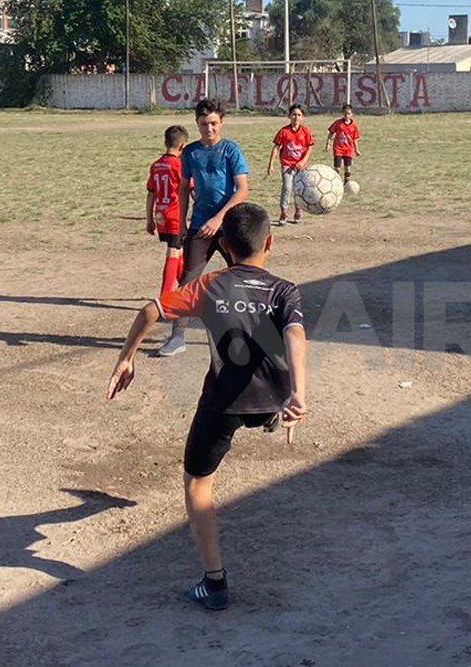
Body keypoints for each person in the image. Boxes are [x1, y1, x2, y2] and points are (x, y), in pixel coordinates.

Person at [107, 203, 308, 611]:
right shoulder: (285, 290)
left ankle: (215, 585)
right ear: (269, 242)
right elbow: (295, 335)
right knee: (265, 391)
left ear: (223, 245)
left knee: (199, 483)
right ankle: (271, 415)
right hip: (274, 395)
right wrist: (297, 393)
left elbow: (151, 310)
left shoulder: (210, 285)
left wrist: (126, 358)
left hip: (226, 402)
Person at [158, 98, 251, 357]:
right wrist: (184, 222)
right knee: (188, 281)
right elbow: (184, 188)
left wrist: (219, 219)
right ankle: (177, 337)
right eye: (203, 124)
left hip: (230, 225)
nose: (208, 129)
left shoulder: (231, 150)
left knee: (244, 277)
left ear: (221, 123)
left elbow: (242, 189)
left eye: (213, 123)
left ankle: (253, 334)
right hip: (200, 226)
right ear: (196, 124)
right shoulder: (189, 153)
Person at [146, 125, 188, 297]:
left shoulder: (156, 165)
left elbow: (150, 193)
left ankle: (185, 289)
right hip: (175, 215)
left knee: (178, 251)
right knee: (173, 251)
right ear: (182, 146)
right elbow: (189, 188)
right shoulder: (178, 166)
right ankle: (165, 297)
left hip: (160, 214)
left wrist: (149, 218)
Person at [268, 103, 315, 227]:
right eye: (294, 114)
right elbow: (276, 147)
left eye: (299, 115)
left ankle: (298, 211)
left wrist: (303, 161)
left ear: (302, 117)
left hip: (301, 166)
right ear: (289, 116)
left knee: (299, 189)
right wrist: (271, 164)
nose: (296, 117)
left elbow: (310, 147)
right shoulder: (284, 131)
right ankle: (283, 213)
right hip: (287, 165)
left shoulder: (305, 131)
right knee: (287, 188)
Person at [326, 103, 361, 182]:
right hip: (338, 149)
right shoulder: (338, 123)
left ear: (352, 114)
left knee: (347, 167)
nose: (347, 115)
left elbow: (355, 139)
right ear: (342, 113)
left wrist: (356, 150)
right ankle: (336, 182)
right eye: (345, 114)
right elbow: (331, 133)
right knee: (337, 168)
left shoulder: (354, 126)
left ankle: (346, 183)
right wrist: (328, 144)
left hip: (348, 149)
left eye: (349, 114)